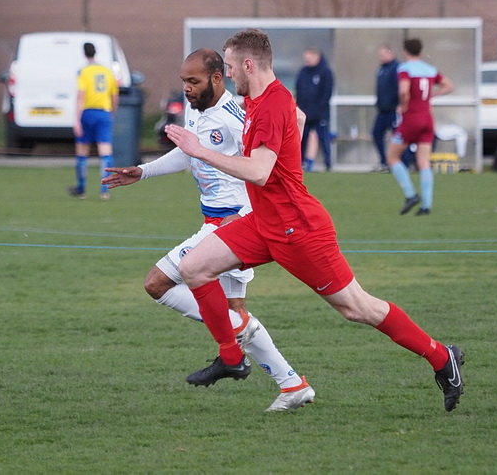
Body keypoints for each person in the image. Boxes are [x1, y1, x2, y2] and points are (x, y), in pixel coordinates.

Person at [165, 28, 465, 412]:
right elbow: (300, 117)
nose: (227, 74)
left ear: (248, 64)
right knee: (194, 268)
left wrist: (199, 151)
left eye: (229, 66)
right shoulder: (262, 98)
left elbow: (258, 172)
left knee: (357, 308)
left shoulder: (270, 103)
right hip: (264, 222)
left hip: (298, 229)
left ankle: (442, 357)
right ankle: (231, 357)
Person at [103, 48, 314, 412]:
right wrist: (143, 171)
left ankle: (233, 349)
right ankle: (292, 384)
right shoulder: (196, 107)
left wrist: (248, 216)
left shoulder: (236, 117)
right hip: (217, 221)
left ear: (218, 78)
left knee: (157, 283)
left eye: (194, 81)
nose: (186, 88)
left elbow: (266, 163)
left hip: (235, 223)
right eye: (184, 81)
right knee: (235, 314)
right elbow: (189, 153)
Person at [387, 38, 454, 216]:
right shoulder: (430, 69)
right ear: (421, 52)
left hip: (412, 118)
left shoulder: (405, 68)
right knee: (423, 161)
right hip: (428, 119)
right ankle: (426, 205)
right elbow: (449, 85)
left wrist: (404, 105)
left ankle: (410, 195)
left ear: (405, 52)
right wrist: (432, 96)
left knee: (392, 156)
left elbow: (403, 90)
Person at [68, 42, 119, 201]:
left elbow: (80, 95)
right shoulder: (107, 71)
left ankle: (82, 189)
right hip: (104, 113)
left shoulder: (84, 72)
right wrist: (112, 113)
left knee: (82, 151)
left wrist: (76, 119)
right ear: (95, 52)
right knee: (105, 152)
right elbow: (114, 96)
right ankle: (104, 190)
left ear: (84, 54)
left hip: (87, 113)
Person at [295, 46, 333, 172]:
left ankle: (328, 164)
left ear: (317, 56)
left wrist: (319, 110)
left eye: (309, 57)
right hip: (305, 114)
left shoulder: (325, 72)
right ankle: (299, 163)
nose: (307, 60)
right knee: (302, 139)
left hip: (319, 114)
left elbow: (327, 94)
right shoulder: (303, 72)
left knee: (323, 138)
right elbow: (299, 91)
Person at [371, 44, 399, 173]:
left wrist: (399, 104)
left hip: (394, 110)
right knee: (376, 133)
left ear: (391, 54)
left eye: (383, 54)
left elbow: (400, 89)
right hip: (382, 110)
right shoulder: (381, 69)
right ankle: (384, 161)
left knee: (398, 138)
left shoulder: (397, 68)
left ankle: (402, 163)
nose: (381, 57)